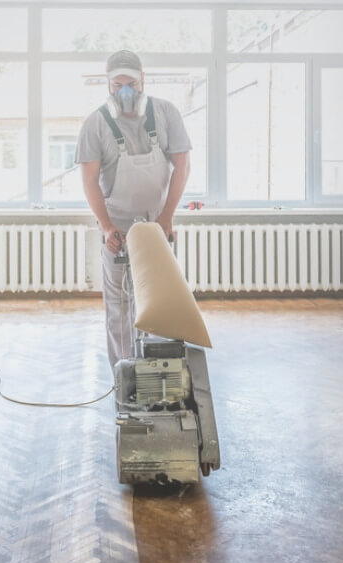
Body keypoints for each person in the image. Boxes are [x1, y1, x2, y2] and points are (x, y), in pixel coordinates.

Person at [77, 50, 193, 369]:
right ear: (108, 85)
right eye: (118, 84)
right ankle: (125, 373)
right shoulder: (95, 123)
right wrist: (106, 227)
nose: (126, 91)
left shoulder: (166, 114)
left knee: (162, 299)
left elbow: (182, 166)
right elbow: (89, 180)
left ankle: (159, 373)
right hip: (117, 226)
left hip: (157, 224)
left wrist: (166, 217)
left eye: (132, 83)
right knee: (120, 306)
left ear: (143, 80)